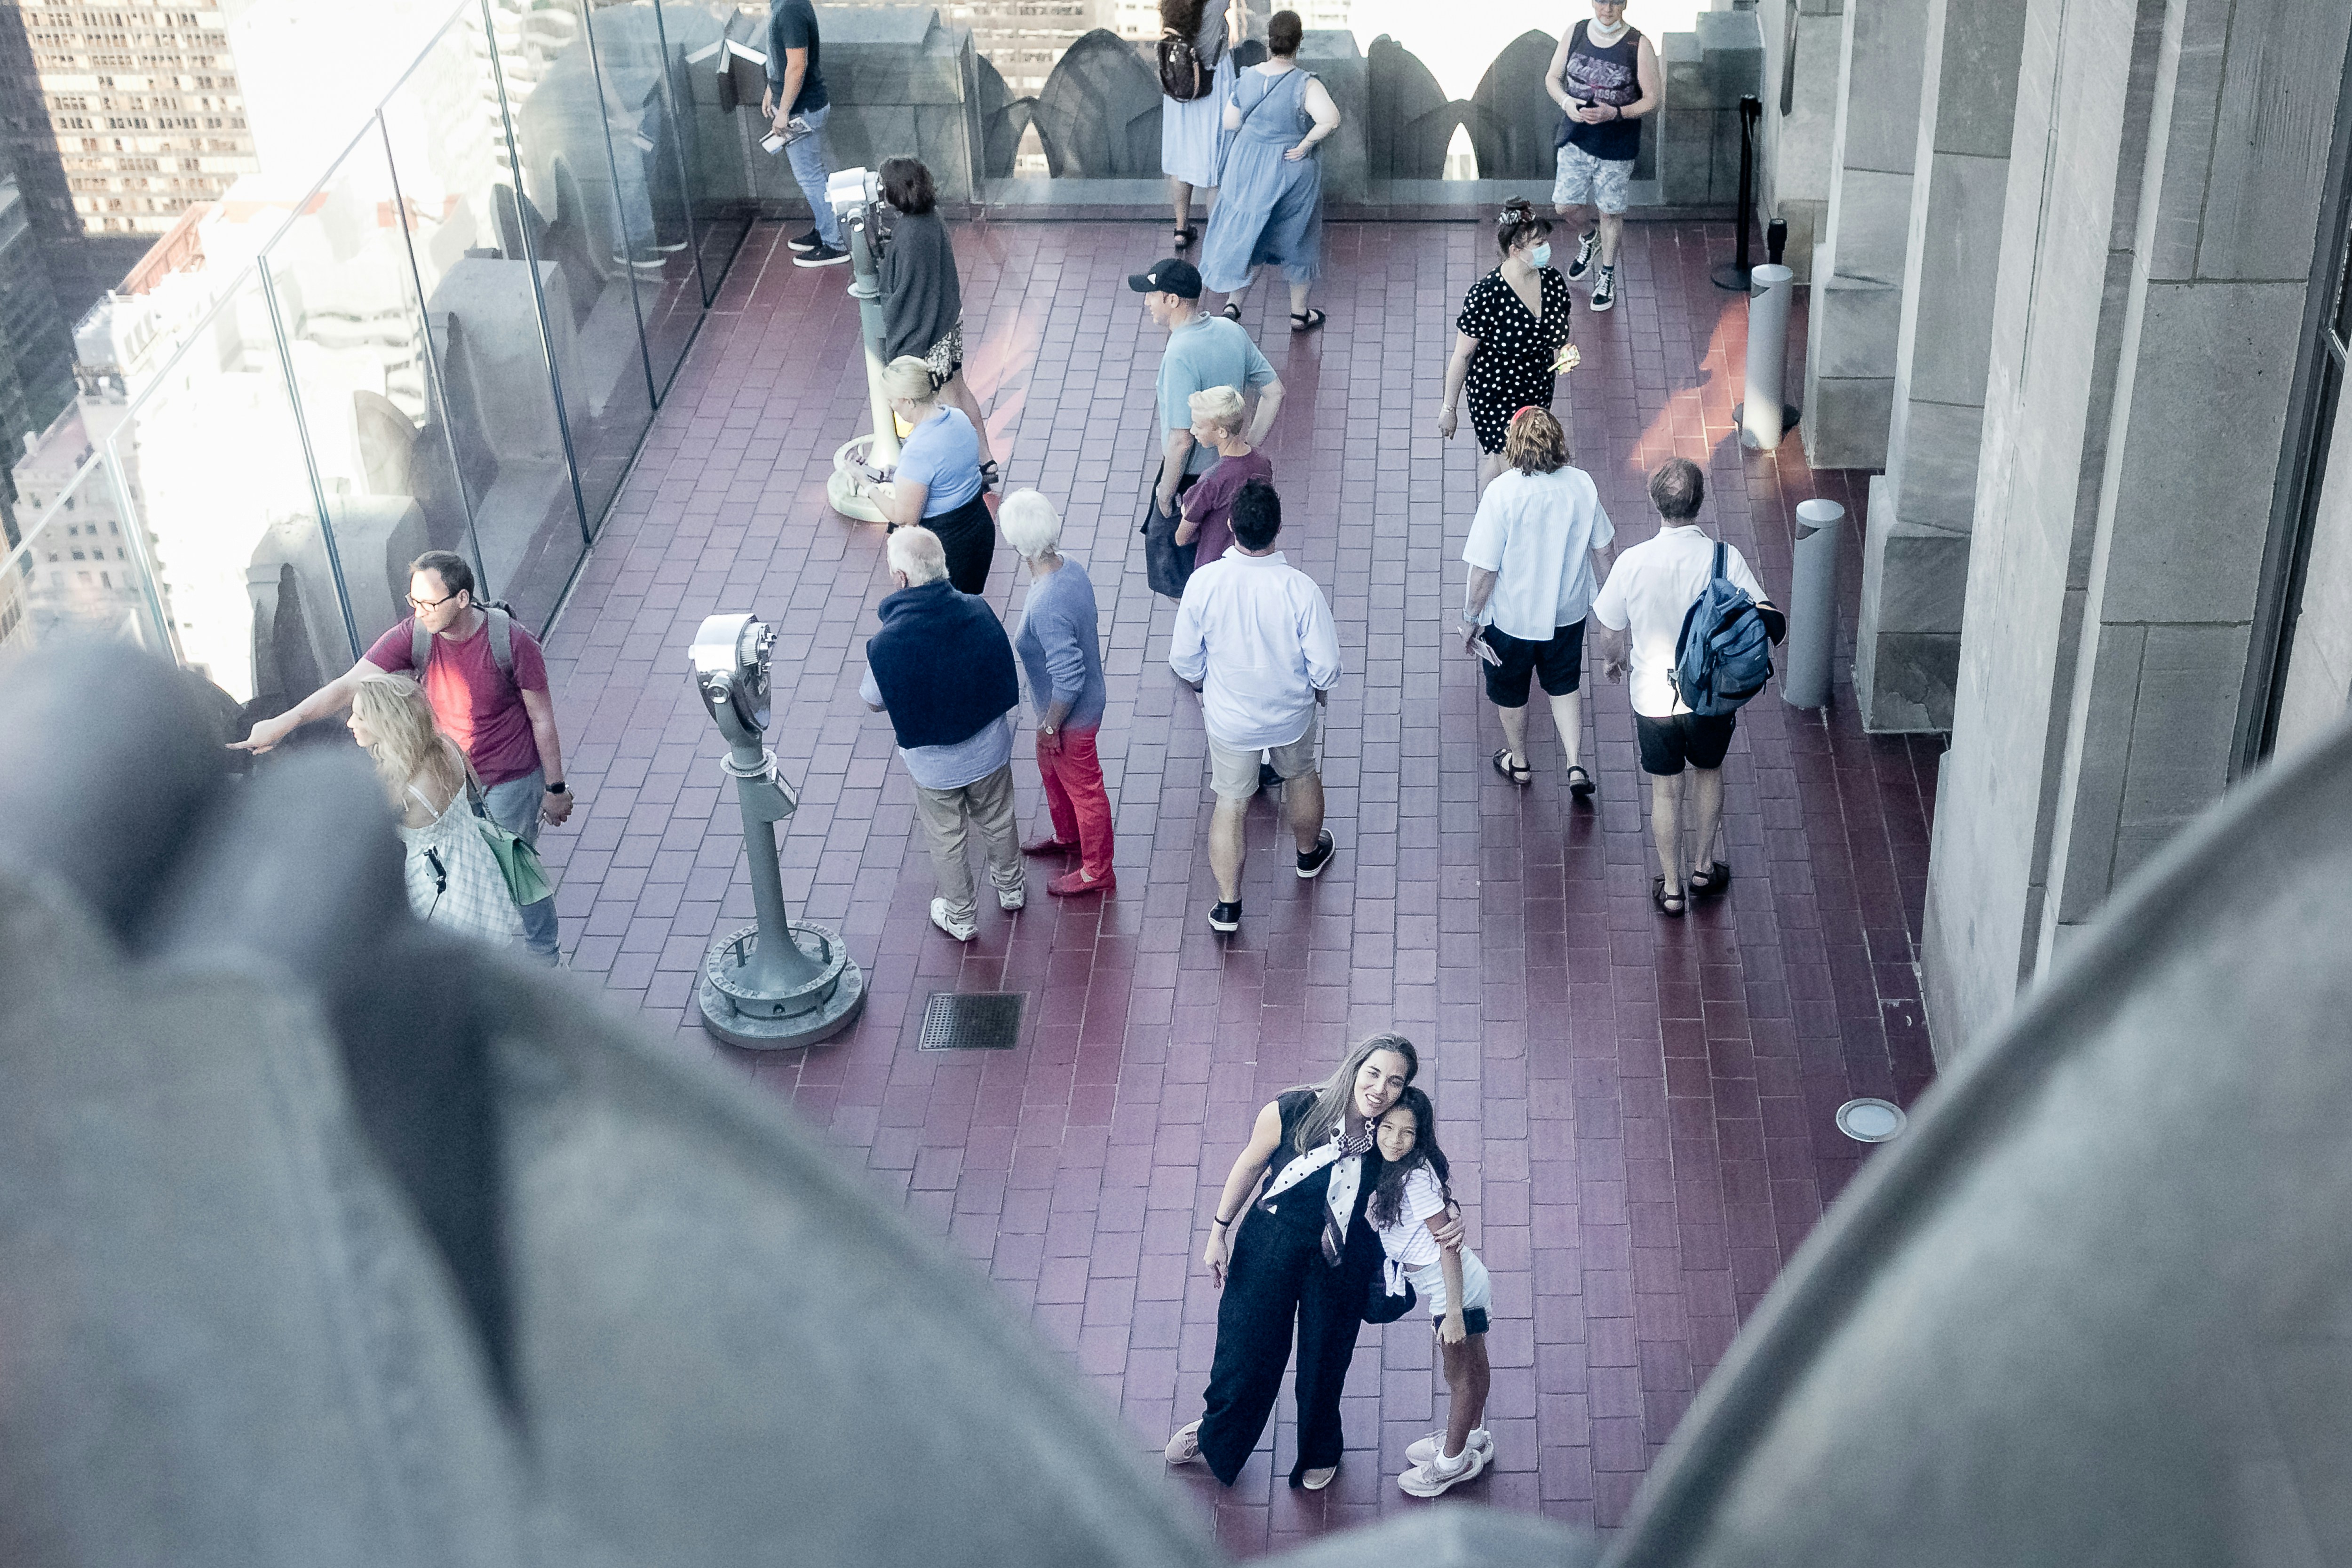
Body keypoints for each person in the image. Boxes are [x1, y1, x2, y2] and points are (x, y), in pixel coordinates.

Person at [233, 549, 573, 965]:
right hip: (456, 773)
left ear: (463, 599)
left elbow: (542, 718)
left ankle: (545, 955)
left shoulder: (512, 642)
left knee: (514, 862)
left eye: (429, 603)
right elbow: (348, 687)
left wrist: (555, 789)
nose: (419, 612)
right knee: (485, 872)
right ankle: (503, 957)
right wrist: (283, 724)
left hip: (511, 778)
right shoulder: (416, 635)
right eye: (413, 601)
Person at [1164, 1034, 1423, 1491]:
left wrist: (1448, 1220)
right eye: (1374, 1073)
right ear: (1354, 1068)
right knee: (1244, 1350)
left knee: (1325, 1360)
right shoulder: (1291, 1109)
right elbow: (1248, 1165)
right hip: (1270, 1240)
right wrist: (1217, 1232)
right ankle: (1215, 1431)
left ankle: (1320, 1448)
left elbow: (1424, 1174)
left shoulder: (1390, 1133)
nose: (1380, 1089)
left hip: (1338, 1255)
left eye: (1394, 1082)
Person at [1591, 458, 1784, 917]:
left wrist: (1613, 662)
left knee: (1664, 790)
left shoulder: (1631, 562)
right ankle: (1702, 867)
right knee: (1708, 772)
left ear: (1654, 502)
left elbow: (1609, 631)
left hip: (1651, 696)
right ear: (1700, 502)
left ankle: (1672, 888)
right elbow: (1768, 620)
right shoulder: (1724, 558)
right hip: (1711, 695)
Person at [1169, 478, 1338, 933]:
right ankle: (1307, 855)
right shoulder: (1300, 590)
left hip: (1230, 721)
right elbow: (1326, 669)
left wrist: (1208, 687)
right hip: (1291, 714)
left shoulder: (1204, 584)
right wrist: (1315, 690)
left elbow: (1184, 660)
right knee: (1301, 776)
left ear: (1230, 526)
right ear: (1277, 529)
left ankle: (1229, 905)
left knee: (1230, 802)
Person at [859, 525, 1025, 941]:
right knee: (999, 817)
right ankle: (1011, 888)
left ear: (901, 578)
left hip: (934, 766)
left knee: (948, 837)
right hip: (989, 749)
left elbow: (872, 698)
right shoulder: (977, 609)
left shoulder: (887, 642)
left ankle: (962, 915)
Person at [1460, 405, 1614, 796]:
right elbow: (1604, 550)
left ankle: (1520, 761)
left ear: (1514, 444)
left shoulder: (1502, 493)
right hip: (1568, 611)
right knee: (1564, 683)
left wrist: (1470, 617)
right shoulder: (1582, 485)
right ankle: (1575, 762)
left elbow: (1484, 571)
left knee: (1511, 690)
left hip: (1511, 618)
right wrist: (1613, 608)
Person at [1366, 1087, 1494, 1499]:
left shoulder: (1414, 1178)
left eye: (1407, 1132)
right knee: (1472, 1365)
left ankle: (1451, 1464)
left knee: (1459, 1376)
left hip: (1452, 1288)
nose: (1394, 1139)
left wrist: (1453, 1311)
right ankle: (1475, 1439)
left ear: (1419, 1135)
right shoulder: (1398, 1167)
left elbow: (1447, 1245)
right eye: (1387, 1127)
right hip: (1453, 1285)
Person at [1131, 255, 1282, 597]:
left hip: (1190, 480)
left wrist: (1165, 494)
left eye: (1152, 294)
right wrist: (1244, 452)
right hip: (1232, 471)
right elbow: (1274, 392)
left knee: (1178, 581)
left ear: (1172, 300)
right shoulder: (1231, 330)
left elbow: (1182, 440)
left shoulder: (1178, 354)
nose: (1147, 301)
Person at [347, 671, 525, 949]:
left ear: (385, 724)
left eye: (359, 716)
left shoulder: (400, 789)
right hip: (475, 862)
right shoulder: (447, 747)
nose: (350, 723)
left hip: (435, 884)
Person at [1000, 490, 1115, 897]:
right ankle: (1068, 836)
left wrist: (1051, 726)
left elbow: (1068, 677)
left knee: (1085, 790)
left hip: (1069, 717)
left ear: (1017, 544)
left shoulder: (1047, 601)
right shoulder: (1071, 568)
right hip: (1066, 710)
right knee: (1052, 773)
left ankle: (1097, 868)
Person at [1196, 9, 1340, 334]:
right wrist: (1304, 145)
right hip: (1292, 167)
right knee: (1299, 237)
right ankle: (1299, 314)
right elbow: (1330, 119)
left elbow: (1230, 122)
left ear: (1268, 41)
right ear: (1298, 43)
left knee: (1252, 233)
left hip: (1247, 165)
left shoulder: (1248, 77)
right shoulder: (1306, 84)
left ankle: (1234, 304)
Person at [876, 156, 997, 486]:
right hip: (949, 320)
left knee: (944, 400)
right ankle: (985, 457)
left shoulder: (910, 232)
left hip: (930, 333)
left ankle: (967, 465)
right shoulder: (931, 217)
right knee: (958, 387)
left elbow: (909, 294)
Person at [1440, 199, 1576, 492]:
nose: (1546, 248)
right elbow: (1462, 355)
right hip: (1495, 396)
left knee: (1506, 463)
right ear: (1515, 250)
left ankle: (1487, 509)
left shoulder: (1553, 281)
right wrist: (1449, 408)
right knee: (1517, 472)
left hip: (1537, 390)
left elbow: (1561, 330)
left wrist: (1565, 350)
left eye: (1545, 241)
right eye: (1538, 243)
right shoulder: (1486, 295)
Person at [1543, 0, 1660, 313]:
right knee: (1565, 205)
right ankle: (1589, 237)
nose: (1608, 8)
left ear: (1625, 4)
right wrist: (1568, 102)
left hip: (1616, 145)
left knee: (1610, 211)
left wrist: (1617, 112)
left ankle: (1607, 275)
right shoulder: (1576, 32)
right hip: (1577, 138)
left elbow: (1652, 99)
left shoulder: (1638, 44)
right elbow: (1552, 79)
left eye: (1616, 2)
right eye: (1601, 1)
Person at [876, 356, 995, 597]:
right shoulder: (959, 418)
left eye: (891, 400)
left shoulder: (918, 449)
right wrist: (901, 475)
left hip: (946, 549)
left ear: (908, 401)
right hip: (978, 532)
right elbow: (944, 471)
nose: (891, 406)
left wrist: (867, 485)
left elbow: (905, 517)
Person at [765, 0, 848, 267]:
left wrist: (784, 111)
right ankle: (828, 228)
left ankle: (836, 243)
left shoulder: (789, 8)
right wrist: (772, 87)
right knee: (818, 174)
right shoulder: (787, 4)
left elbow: (797, 65)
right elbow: (785, 59)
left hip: (802, 110)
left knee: (811, 177)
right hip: (804, 105)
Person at [1159, 0, 1236, 253]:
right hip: (1211, 83)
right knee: (1216, 165)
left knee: (1182, 159)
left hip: (1181, 81)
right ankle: (1217, 235)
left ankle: (1181, 229)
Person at [1175, 384, 1272, 570]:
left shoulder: (1211, 481)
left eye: (1199, 425)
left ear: (1221, 432)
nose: (1193, 431)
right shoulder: (1263, 463)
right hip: (1254, 564)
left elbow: (1181, 538)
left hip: (1215, 567)